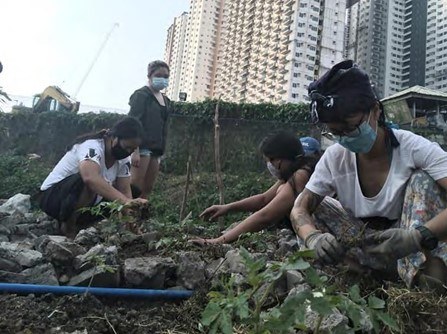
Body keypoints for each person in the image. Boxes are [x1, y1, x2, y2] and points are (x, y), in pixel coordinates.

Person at [290, 59, 447, 290]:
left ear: (375, 110)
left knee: (422, 181)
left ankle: (425, 285)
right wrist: (313, 237)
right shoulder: (335, 157)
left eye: (351, 128)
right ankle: (362, 278)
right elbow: (299, 208)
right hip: (365, 249)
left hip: (408, 248)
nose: (344, 138)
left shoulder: (413, 148)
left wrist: (417, 236)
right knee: (318, 205)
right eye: (335, 132)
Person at [191, 132, 319, 245]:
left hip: (324, 233)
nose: (270, 165)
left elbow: (265, 216)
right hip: (318, 230)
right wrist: (227, 208)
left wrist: (218, 241)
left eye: (271, 160)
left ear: (280, 158)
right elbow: (264, 199)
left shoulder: (300, 175)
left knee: (282, 191)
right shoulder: (295, 173)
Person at [39, 117, 147, 238]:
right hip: (53, 199)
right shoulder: (92, 147)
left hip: (87, 202)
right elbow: (90, 178)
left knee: (134, 192)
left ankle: (82, 224)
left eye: (132, 150)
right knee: (90, 183)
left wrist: (130, 216)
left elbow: (125, 190)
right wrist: (126, 201)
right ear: (115, 138)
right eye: (127, 147)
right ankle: (68, 226)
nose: (128, 152)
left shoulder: (123, 160)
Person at [129, 60, 171, 199]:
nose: (163, 79)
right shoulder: (141, 95)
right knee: (134, 187)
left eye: (166, 76)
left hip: (156, 149)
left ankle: (139, 219)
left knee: (148, 188)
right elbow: (133, 122)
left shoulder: (166, 100)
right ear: (150, 75)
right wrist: (134, 150)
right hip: (142, 147)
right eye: (159, 75)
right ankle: (125, 218)